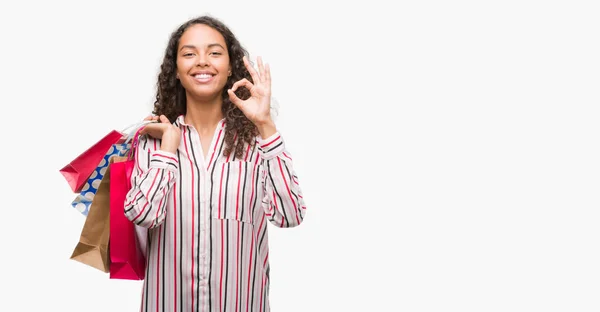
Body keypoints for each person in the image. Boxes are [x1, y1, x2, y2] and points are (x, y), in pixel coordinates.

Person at [123, 15, 307, 312]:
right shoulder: (153, 142)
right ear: (177, 72)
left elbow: (289, 215)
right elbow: (143, 215)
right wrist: (168, 150)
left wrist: (265, 124)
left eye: (214, 52)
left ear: (230, 67)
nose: (202, 61)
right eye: (189, 53)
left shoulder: (256, 143)